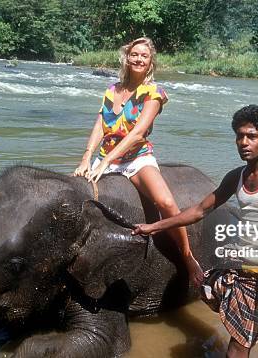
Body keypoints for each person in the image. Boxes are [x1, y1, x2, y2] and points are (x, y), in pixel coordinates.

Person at [133, 105, 258, 357]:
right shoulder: (237, 176)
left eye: (252, 136)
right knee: (205, 286)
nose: (244, 142)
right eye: (240, 135)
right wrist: (154, 226)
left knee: (236, 349)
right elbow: (200, 210)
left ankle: (245, 332)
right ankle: (242, 326)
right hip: (237, 265)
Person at [73, 37, 204, 287]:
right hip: (105, 158)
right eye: (134, 54)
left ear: (150, 62)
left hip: (136, 158)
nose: (139, 59)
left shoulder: (154, 93)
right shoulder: (112, 90)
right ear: (126, 57)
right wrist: (86, 159)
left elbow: (137, 134)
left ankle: (188, 257)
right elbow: (100, 125)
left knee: (166, 201)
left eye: (144, 56)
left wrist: (106, 161)